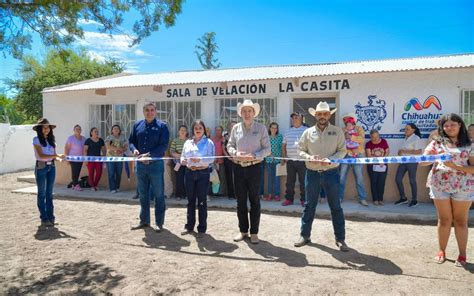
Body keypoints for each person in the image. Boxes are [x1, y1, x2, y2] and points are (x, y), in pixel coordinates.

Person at [294, 102, 349, 252]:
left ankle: (340, 239)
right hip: (312, 173)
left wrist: (331, 159)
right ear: (315, 115)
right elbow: (300, 150)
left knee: (336, 207)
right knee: (309, 206)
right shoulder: (308, 132)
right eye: (320, 114)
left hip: (331, 173)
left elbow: (342, 151)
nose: (322, 116)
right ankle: (304, 235)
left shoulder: (337, 132)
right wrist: (309, 157)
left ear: (329, 115)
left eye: (325, 114)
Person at [421, 113, 473, 267]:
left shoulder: (470, 144)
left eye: (453, 124)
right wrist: (431, 157)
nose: (449, 128)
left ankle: (462, 255)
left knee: (461, 221)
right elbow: (422, 163)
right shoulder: (436, 143)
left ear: (460, 125)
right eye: (446, 125)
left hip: (463, 186)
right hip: (439, 185)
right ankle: (441, 251)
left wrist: (455, 167)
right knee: (444, 220)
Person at [228, 99, 271, 244]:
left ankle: (254, 233)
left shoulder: (261, 128)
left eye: (249, 111)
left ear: (254, 113)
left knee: (254, 200)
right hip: (239, 168)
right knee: (240, 201)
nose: (247, 113)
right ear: (241, 113)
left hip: (254, 168)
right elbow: (230, 145)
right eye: (244, 111)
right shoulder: (236, 129)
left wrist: (255, 156)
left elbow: (268, 149)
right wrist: (235, 153)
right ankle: (243, 231)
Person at [129, 102, 170, 232]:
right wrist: (134, 150)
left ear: (156, 111)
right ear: (143, 111)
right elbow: (131, 141)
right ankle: (144, 221)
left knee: (158, 195)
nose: (149, 112)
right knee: (143, 194)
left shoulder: (162, 126)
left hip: (156, 165)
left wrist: (150, 155)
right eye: (147, 110)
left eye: (152, 110)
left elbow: (163, 145)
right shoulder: (137, 125)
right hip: (140, 166)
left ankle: (159, 223)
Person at [180, 120, 215, 236]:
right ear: (193, 130)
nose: (198, 129)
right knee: (190, 201)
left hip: (203, 173)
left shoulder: (209, 142)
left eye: (200, 127)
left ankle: (202, 228)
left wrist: (199, 160)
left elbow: (212, 159)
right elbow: (182, 157)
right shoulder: (187, 143)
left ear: (204, 129)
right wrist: (183, 161)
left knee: (202, 202)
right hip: (189, 173)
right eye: (196, 128)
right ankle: (189, 226)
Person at [32, 118, 64, 227]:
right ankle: (44, 218)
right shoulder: (36, 140)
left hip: (52, 167)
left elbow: (53, 156)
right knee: (41, 193)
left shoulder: (52, 141)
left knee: (49, 193)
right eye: (44, 127)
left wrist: (59, 158)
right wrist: (56, 156)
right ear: (40, 129)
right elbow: (41, 156)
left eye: (48, 127)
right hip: (41, 167)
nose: (46, 129)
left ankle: (51, 217)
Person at [338, 113, 368, 206]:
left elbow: (362, 140)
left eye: (348, 120)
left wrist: (351, 137)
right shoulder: (342, 130)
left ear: (353, 120)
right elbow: (339, 142)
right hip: (346, 155)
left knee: (359, 177)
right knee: (341, 177)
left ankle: (362, 198)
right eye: (345, 120)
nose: (346, 122)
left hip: (357, 155)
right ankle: (339, 197)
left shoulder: (359, 129)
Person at [281, 111, 308, 207]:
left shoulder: (306, 130)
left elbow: (310, 144)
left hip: (302, 161)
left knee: (303, 182)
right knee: (289, 182)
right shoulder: (288, 131)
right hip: (290, 161)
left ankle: (304, 200)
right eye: (293, 118)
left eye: (296, 117)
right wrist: (284, 157)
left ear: (301, 119)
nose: (294, 119)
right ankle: (289, 199)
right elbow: (283, 145)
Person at [395, 123, 424, 207]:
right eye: (405, 129)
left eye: (407, 129)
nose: (405, 130)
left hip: (412, 161)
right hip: (403, 161)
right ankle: (403, 198)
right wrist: (400, 152)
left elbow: (419, 151)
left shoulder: (416, 138)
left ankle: (414, 200)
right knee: (398, 179)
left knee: (412, 180)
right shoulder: (405, 138)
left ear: (413, 130)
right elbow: (402, 151)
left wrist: (404, 151)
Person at [365, 129, 390, 205]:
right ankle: (375, 199)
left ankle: (380, 199)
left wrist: (383, 159)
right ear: (370, 137)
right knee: (374, 182)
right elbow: (369, 155)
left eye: (377, 136)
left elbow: (387, 151)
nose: (375, 139)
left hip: (383, 165)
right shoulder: (368, 144)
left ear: (379, 135)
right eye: (373, 137)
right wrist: (378, 161)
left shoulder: (384, 141)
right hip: (372, 166)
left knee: (381, 183)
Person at [263, 122, 283, 201]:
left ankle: (277, 195)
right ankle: (270, 195)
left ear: (277, 129)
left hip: (277, 161)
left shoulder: (280, 137)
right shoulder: (266, 137)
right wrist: (269, 154)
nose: (274, 129)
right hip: (268, 160)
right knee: (270, 179)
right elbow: (264, 147)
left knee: (277, 179)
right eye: (272, 128)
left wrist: (282, 158)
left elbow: (282, 148)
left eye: (275, 128)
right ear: (270, 128)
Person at [105, 124, 128, 193]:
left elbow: (126, 147)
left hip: (119, 158)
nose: (116, 130)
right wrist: (118, 149)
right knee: (111, 173)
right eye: (114, 128)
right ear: (112, 130)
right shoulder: (109, 137)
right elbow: (108, 147)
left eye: (117, 129)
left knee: (118, 173)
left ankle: (117, 187)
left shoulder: (123, 138)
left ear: (119, 131)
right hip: (110, 158)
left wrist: (122, 150)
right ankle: (112, 188)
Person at [64, 124, 86, 191]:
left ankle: (74, 184)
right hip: (72, 159)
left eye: (79, 129)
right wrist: (66, 158)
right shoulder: (71, 138)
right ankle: (75, 185)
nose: (78, 130)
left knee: (77, 172)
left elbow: (85, 149)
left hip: (81, 159)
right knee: (74, 172)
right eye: (76, 129)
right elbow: (66, 148)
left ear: (81, 130)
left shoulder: (84, 138)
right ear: (74, 131)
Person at [170, 125, 188, 200]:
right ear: (178, 132)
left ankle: (186, 194)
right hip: (177, 163)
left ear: (186, 132)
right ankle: (178, 195)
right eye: (181, 130)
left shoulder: (189, 141)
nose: (183, 131)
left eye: (184, 130)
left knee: (187, 179)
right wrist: (181, 156)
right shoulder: (175, 140)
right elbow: (172, 152)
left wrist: (185, 158)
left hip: (187, 163)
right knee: (179, 179)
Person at [223, 120, 237, 199]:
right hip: (228, 159)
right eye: (232, 126)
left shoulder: (239, 135)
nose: (233, 127)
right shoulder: (225, 135)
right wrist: (228, 157)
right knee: (229, 177)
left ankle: (237, 194)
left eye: (234, 125)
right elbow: (223, 147)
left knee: (237, 177)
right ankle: (231, 194)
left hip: (236, 158)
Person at [212, 126, 226, 196]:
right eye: (217, 130)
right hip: (213, 162)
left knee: (222, 177)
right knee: (214, 177)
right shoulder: (212, 139)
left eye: (219, 130)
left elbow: (224, 149)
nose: (218, 131)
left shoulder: (223, 139)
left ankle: (221, 192)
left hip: (221, 161)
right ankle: (214, 192)